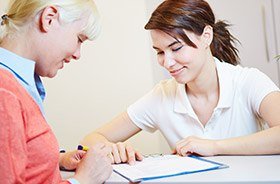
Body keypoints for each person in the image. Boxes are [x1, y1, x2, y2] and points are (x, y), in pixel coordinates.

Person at [81, 0, 280, 164]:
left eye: (176, 48)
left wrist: (214, 146)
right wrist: (114, 149)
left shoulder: (248, 81)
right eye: (159, 52)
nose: (167, 62)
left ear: (206, 36)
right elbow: (90, 140)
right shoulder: (162, 96)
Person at [0, 0, 112, 183]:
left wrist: (57, 159)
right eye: (79, 39)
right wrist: (84, 179)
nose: (77, 54)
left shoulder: (20, 85)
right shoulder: (5, 93)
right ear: (49, 19)